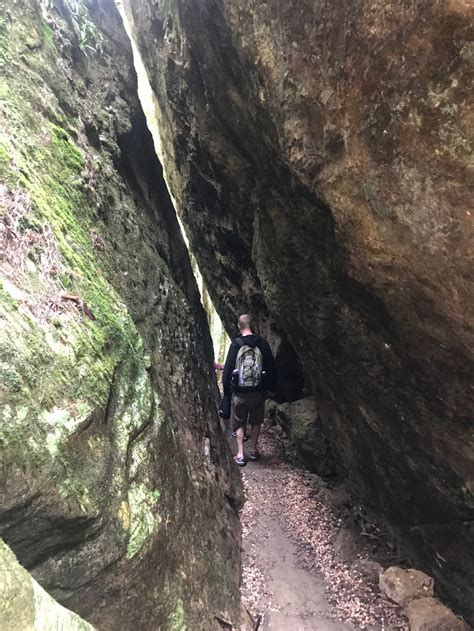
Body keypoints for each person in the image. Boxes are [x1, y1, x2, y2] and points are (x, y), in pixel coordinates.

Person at [223, 314, 276, 466]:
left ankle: (240, 454)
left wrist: (227, 392)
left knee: (239, 422)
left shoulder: (236, 344)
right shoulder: (262, 344)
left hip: (239, 391)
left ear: (239, 327)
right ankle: (253, 449)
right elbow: (271, 367)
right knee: (256, 420)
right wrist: (271, 387)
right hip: (258, 391)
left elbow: (227, 370)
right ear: (252, 325)